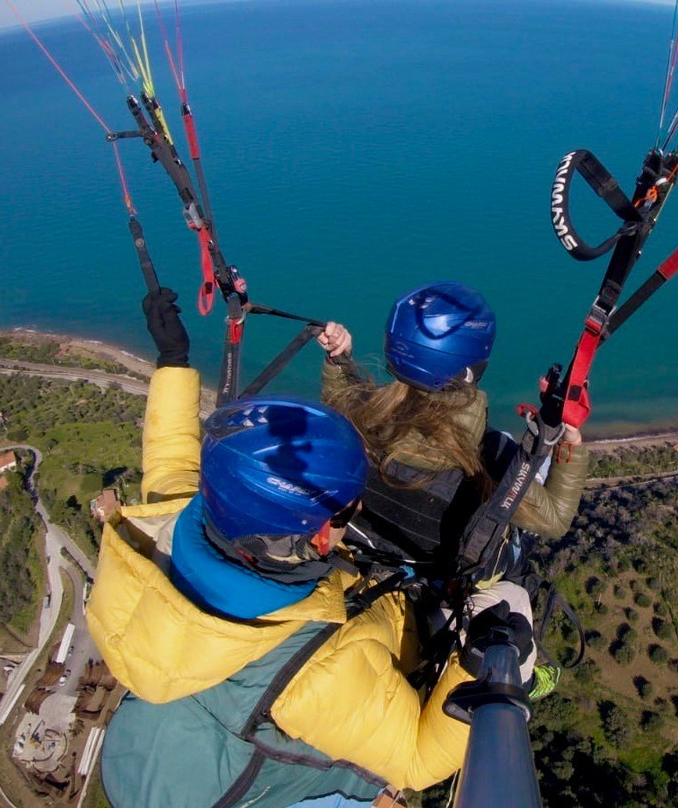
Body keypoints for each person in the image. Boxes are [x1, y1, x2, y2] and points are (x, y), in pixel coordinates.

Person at [86, 288, 534, 808]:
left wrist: (173, 360)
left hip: (168, 729)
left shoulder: (173, 533)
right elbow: (414, 762)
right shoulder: (321, 679)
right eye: (346, 511)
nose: (356, 512)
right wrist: (478, 665)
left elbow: (171, 463)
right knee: (512, 603)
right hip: (253, 763)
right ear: (317, 537)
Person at [317, 281, 590, 690]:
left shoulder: (363, 418)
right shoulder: (489, 456)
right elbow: (554, 518)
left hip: (373, 556)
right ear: (471, 368)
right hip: (447, 583)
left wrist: (340, 361)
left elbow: (341, 398)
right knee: (512, 587)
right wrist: (571, 443)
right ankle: (527, 679)